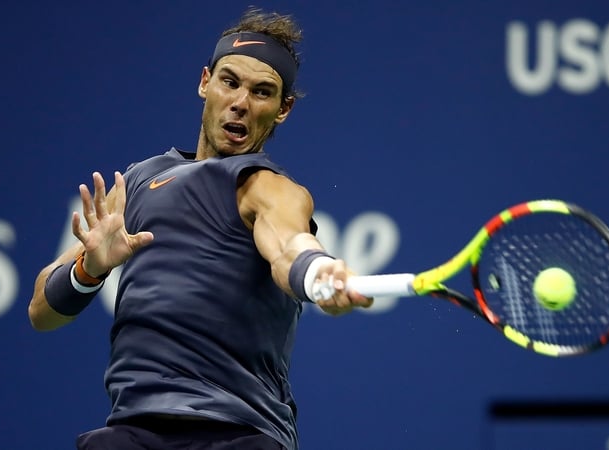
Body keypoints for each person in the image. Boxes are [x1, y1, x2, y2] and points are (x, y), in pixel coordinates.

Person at [27, 7, 372, 450]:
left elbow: (289, 248)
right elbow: (42, 312)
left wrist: (317, 273)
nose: (241, 103)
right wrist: (88, 269)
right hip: (132, 432)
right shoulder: (136, 181)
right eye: (230, 82)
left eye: (262, 92)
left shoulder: (266, 187)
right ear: (205, 81)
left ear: (282, 109)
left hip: (239, 434)